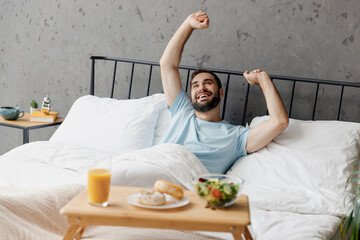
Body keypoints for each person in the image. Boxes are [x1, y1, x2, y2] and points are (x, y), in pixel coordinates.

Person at [159, 10, 289, 174]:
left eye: (208, 83)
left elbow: (279, 122)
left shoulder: (236, 137)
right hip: (153, 164)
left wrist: (263, 79)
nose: (201, 88)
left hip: (182, 182)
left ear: (221, 92)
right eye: (195, 85)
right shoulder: (182, 112)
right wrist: (188, 24)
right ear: (190, 95)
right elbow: (167, 65)